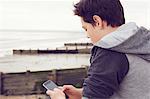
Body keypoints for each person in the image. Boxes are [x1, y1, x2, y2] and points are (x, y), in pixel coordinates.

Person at [46, 0, 150, 99]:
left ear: (97, 21)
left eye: (86, 28)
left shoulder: (110, 51)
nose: (87, 35)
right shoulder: (139, 44)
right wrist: (81, 93)